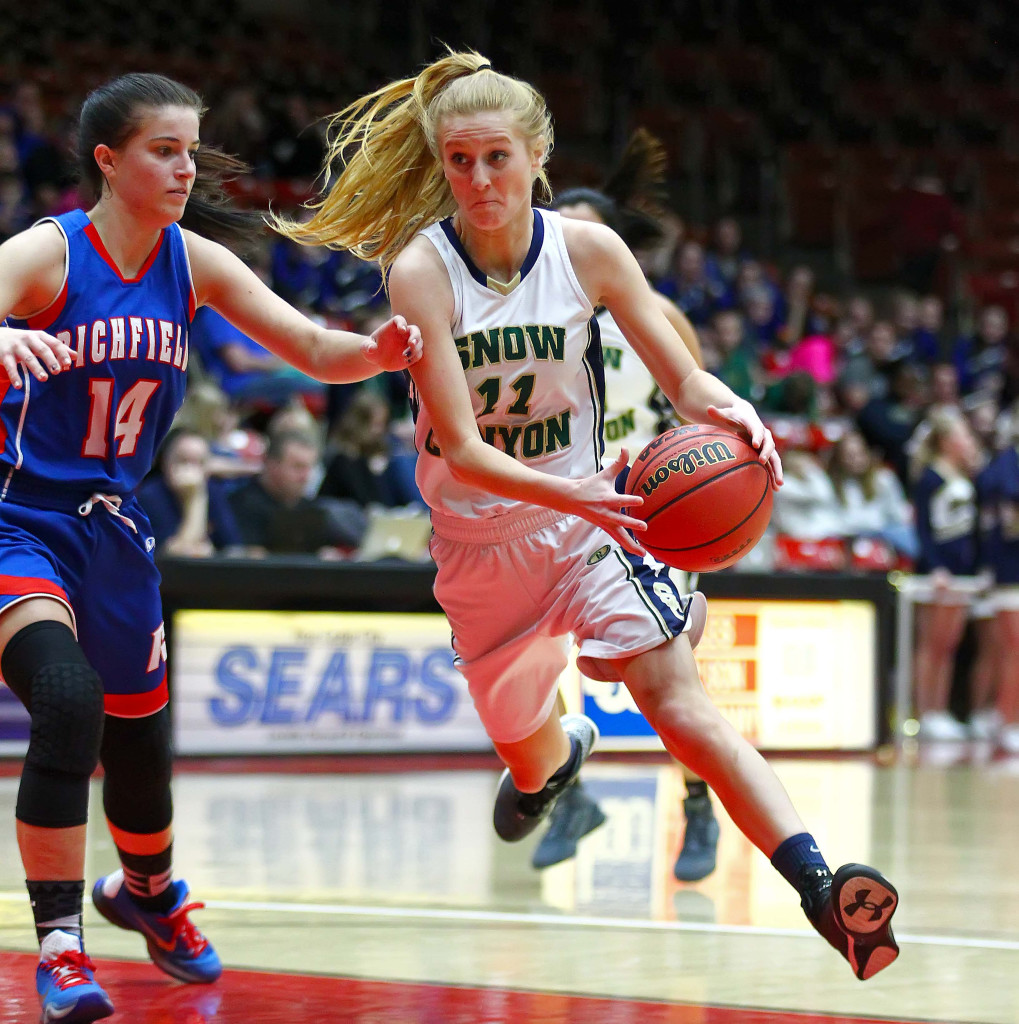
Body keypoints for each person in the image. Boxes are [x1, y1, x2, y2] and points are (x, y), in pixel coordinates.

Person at [277, 50, 899, 981]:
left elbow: (680, 374)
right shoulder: (421, 272)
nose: (478, 180)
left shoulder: (588, 251)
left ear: (537, 156)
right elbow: (466, 446)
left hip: (590, 527)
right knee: (526, 759)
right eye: (458, 162)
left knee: (679, 702)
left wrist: (727, 408)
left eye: (496, 158)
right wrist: (573, 490)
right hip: (482, 544)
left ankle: (822, 889)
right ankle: (556, 758)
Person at [0, 72, 421, 1023]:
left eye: (192, 148)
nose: (187, 166)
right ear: (107, 161)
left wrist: (380, 350)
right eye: (164, 149)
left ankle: (145, 894)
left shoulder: (192, 262)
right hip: (17, 516)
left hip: (113, 527)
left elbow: (313, 348)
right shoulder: (48, 253)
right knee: (67, 703)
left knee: (142, 742)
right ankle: (61, 946)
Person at [543, 135, 720, 883]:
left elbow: (702, 424)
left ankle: (700, 803)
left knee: (668, 676)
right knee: (531, 664)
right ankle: (568, 796)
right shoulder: (531, 316)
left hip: (647, 514)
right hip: (559, 508)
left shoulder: (656, 317)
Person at [910, 407, 984, 741]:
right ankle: (924, 713)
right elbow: (923, 529)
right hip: (937, 572)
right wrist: (934, 565)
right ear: (945, 440)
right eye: (962, 434)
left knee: (950, 643)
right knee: (932, 644)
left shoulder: (964, 475)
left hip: (962, 572)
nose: (968, 440)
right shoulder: (930, 477)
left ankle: (940, 711)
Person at [228, 428, 367, 554]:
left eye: (309, 468)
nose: (305, 477)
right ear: (272, 465)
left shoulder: (310, 508)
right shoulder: (243, 505)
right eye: (298, 467)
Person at [136, 427, 244, 557]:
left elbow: (233, 547)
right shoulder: (149, 495)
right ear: (165, 461)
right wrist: (195, 498)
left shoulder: (214, 491)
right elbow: (176, 557)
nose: (191, 471)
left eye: (199, 463)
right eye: (183, 461)